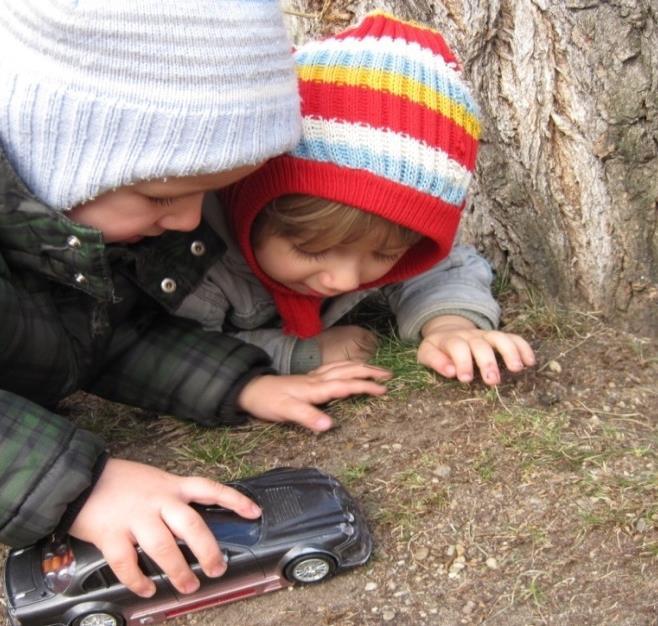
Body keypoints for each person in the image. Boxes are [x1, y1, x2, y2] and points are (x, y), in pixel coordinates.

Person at [0, 0, 391, 600]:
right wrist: (80, 486)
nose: (187, 222)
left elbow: (112, 336)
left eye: (209, 195)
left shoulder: (81, 232)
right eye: (159, 196)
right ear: (54, 146)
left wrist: (237, 384)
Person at [176, 11, 535, 386]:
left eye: (384, 255)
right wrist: (295, 355)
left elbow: (445, 267)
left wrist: (449, 325)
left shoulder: (368, 235)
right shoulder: (196, 256)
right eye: (311, 250)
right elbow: (170, 349)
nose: (345, 280)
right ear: (250, 203)